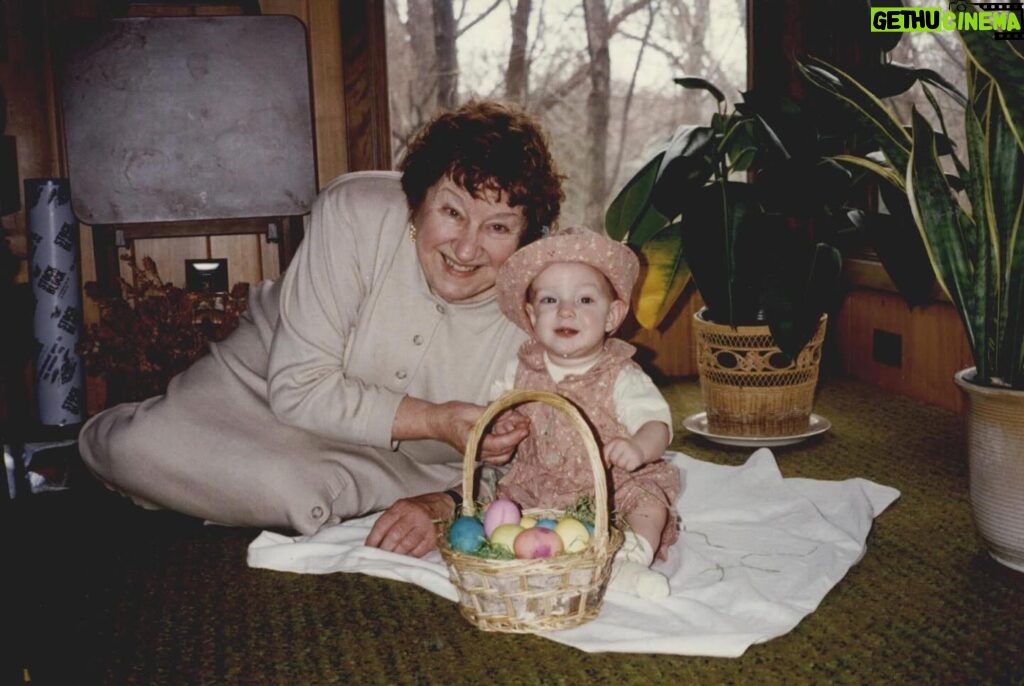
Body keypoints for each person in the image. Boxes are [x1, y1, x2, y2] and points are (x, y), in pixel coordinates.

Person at [78, 100, 564, 557]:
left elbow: (538, 466)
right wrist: (438, 421)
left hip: (408, 466)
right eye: (452, 213)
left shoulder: (543, 302)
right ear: (416, 204)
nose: (465, 250)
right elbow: (298, 390)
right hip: (259, 392)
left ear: (526, 238)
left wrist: (447, 503)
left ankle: (302, 495)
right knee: (128, 448)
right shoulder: (354, 209)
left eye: (498, 228)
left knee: (297, 491)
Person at [492, 226, 682, 598]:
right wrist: (502, 424)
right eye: (549, 300)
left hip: (612, 484)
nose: (565, 310)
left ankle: (630, 556)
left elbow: (657, 423)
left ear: (612, 316)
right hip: (541, 484)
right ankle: (531, 554)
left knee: (649, 501)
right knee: (504, 506)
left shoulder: (620, 374)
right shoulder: (519, 369)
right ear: (531, 316)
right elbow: (496, 409)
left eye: (584, 300)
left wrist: (639, 448)